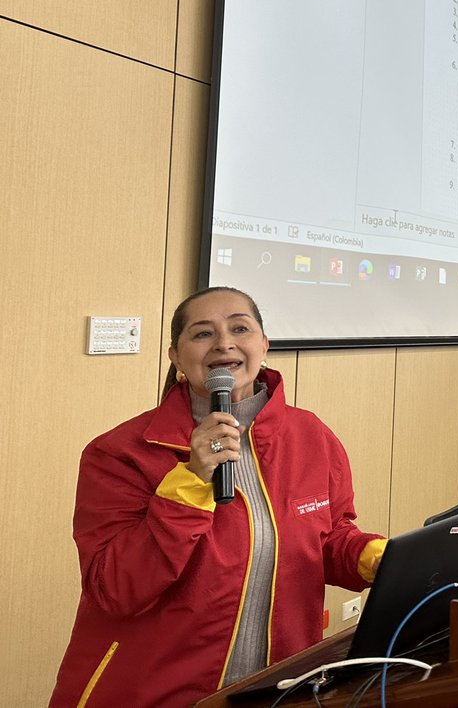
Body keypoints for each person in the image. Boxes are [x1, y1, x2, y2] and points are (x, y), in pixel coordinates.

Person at [51, 287, 386, 707]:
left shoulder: (311, 436)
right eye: (203, 333)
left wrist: (372, 557)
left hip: (276, 688)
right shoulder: (120, 453)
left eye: (240, 329)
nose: (224, 343)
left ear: (264, 344)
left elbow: (325, 538)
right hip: (152, 693)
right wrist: (191, 482)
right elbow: (115, 588)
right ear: (176, 357)